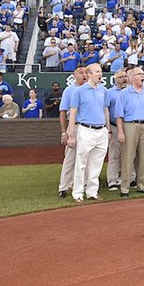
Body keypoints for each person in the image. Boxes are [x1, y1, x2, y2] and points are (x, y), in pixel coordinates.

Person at [65, 63, 110, 203]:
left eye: (101, 71)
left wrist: (107, 130)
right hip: (85, 130)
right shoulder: (79, 91)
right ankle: (78, 193)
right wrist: (71, 134)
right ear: (89, 74)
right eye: (97, 71)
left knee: (97, 164)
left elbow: (105, 110)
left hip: (101, 131)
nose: (100, 74)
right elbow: (72, 113)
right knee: (81, 163)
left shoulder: (103, 90)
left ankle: (92, 192)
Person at [115, 67, 144, 196]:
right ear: (132, 77)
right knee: (128, 157)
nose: (142, 76)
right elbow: (119, 115)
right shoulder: (124, 93)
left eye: (143, 74)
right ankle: (125, 187)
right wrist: (120, 132)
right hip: (130, 125)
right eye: (139, 74)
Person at [57, 68, 87, 198]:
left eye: (86, 73)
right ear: (74, 76)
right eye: (80, 73)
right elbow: (63, 112)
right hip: (74, 126)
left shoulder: (93, 89)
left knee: (86, 158)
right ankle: (63, 187)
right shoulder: (69, 90)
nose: (84, 75)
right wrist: (64, 132)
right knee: (70, 158)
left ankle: (82, 185)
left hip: (88, 128)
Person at [105, 69, 129, 190]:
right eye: (121, 77)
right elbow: (106, 112)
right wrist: (108, 129)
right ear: (115, 79)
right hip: (114, 126)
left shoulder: (132, 91)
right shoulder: (109, 93)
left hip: (129, 126)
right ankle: (112, 180)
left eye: (125, 76)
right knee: (114, 154)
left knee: (129, 154)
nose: (124, 79)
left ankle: (128, 178)